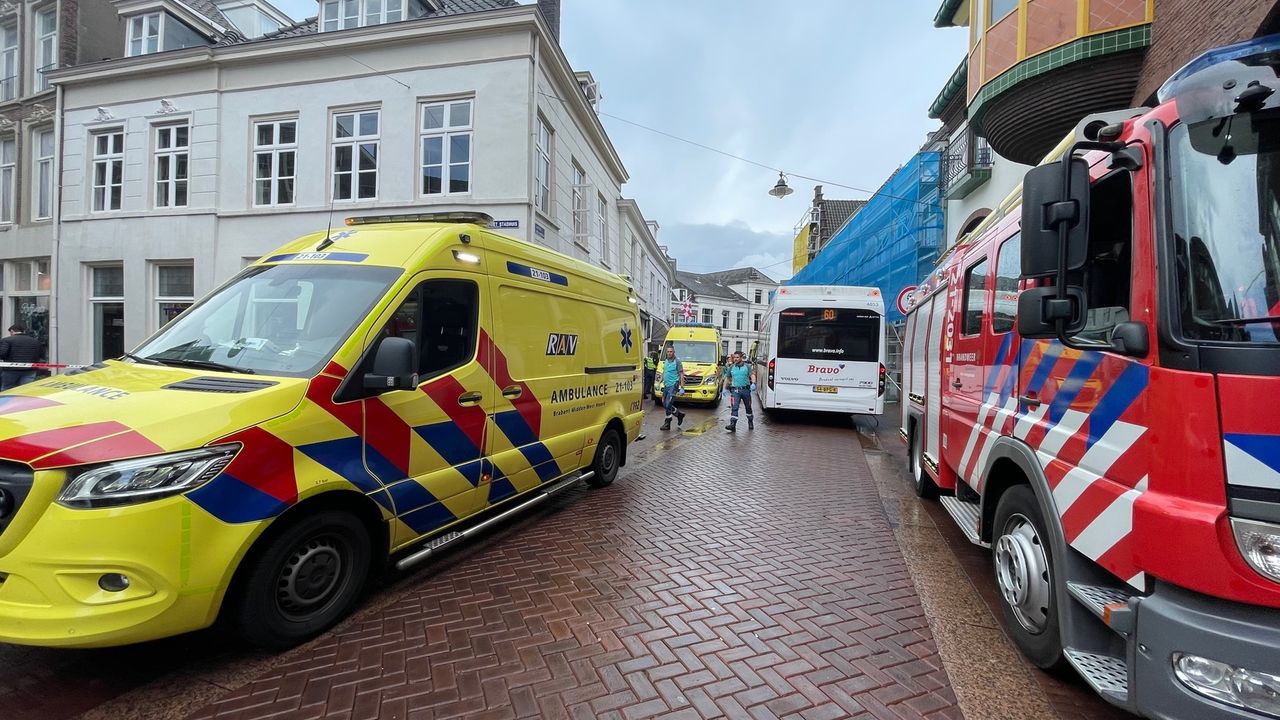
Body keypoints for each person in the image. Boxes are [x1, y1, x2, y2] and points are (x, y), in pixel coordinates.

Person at [723, 350, 756, 432]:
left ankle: (750, 421)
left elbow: (752, 375)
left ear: (741, 358)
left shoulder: (747, 366)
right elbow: (727, 378)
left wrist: (753, 383)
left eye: (737, 357)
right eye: (734, 357)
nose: (735, 359)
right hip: (735, 390)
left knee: (748, 407)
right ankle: (732, 425)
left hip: (745, 390)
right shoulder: (731, 367)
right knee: (734, 407)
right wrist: (724, 388)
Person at [0, 325, 41, 390]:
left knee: (7, 389)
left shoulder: (6, 340)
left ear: (12, 331)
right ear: (23, 331)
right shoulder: (34, 341)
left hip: (11, 370)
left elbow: (2, 354)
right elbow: (40, 354)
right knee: (25, 390)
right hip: (30, 370)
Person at [660, 344, 686, 431]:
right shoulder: (666, 361)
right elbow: (664, 371)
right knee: (664, 404)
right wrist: (660, 380)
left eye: (671, 351)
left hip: (673, 386)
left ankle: (667, 423)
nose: (669, 353)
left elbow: (681, 374)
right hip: (666, 385)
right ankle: (679, 415)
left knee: (668, 404)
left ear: (674, 352)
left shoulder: (677, 362)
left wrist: (682, 387)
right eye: (668, 352)